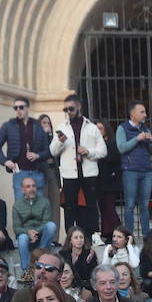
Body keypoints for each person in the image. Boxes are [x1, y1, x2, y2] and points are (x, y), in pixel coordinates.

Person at [50, 95, 106, 234]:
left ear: (79, 107)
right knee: (70, 208)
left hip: (89, 172)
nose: (68, 111)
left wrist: (89, 152)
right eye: (66, 109)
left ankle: (93, 235)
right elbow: (53, 151)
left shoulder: (92, 128)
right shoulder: (62, 127)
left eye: (71, 108)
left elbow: (103, 150)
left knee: (91, 206)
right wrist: (60, 141)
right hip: (70, 174)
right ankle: (70, 237)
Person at [0, 95, 49, 201]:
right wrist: (4, 161)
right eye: (15, 108)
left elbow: (47, 151)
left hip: (37, 172)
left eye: (21, 107)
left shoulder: (37, 125)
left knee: (40, 208)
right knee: (21, 208)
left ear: (27, 108)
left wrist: (37, 155)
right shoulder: (8, 125)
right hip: (19, 172)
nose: (18, 110)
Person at [116, 101, 152, 242]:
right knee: (130, 205)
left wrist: (151, 142)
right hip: (130, 171)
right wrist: (136, 139)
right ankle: (129, 236)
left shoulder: (146, 129)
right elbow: (121, 148)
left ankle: (146, 236)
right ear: (132, 114)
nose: (145, 115)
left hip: (146, 170)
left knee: (145, 205)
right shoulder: (122, 128)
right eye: (142, 112)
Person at [7, 174, 58, 273]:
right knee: (22, 237)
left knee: (51, 226)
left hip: (41, 238)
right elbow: (16, 228)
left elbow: (46, 221)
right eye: (28, 186)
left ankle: (39, 255)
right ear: (22, 189)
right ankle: (26, 271)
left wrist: (35, 232)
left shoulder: (45, 202)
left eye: (33, 186)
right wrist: (28, 232)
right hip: (26, 239)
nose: (31, 189)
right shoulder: (17, 205)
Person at [95, 120, 122, 238]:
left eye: (100, 128)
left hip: (110, 180)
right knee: (103, 208)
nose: (98, 131)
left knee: (109, 207)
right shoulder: (95, 144)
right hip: (98, 180)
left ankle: (120, 231)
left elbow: (114, 160)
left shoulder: (112, 143)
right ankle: (107, 233)